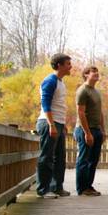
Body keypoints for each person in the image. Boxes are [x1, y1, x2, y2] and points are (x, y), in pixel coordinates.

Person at [36, 53, 72, 199]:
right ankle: (43, 190)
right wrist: (51, 124)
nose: (71, 66)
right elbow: (45, 104)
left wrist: (62, 125)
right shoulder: (50, 80)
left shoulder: (61, 82)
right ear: (59, 65)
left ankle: (57, 187)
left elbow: (59, 105)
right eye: (68, 64)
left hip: (58, 123)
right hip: (48, 122)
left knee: (60, 157)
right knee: (47, 157)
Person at [74, 66, 104, 196]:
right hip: (85, 129)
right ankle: (82, 188)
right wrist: (87, 133)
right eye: (93, 72)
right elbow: (80, 112)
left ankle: (89, 186)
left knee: (93, 160)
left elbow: (100, 112)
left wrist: (102, 130)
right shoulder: (82, 91)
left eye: (97, 72)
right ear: (86, 74)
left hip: (96, 129)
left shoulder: (96, 92)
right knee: (84, 160)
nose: (97, 74)